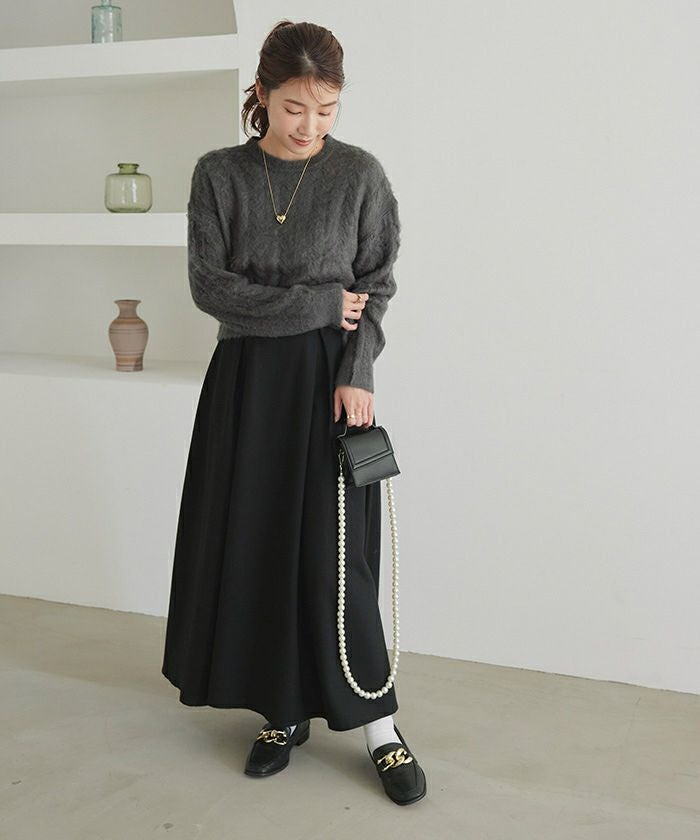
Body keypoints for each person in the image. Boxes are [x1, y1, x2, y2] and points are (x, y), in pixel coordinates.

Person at [161, 19, 426, 806]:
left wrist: (358, 369)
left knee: (341, 560)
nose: (310, 125)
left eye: (327, 109)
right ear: (262, 94)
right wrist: (316, 302)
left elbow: (375, 286)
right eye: (294, 108)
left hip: (330, 384)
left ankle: (379, 726)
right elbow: (212, 288)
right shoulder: (220, 175)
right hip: (246, 385)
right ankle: (281, 713)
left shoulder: (359, 175)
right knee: (259, 546)